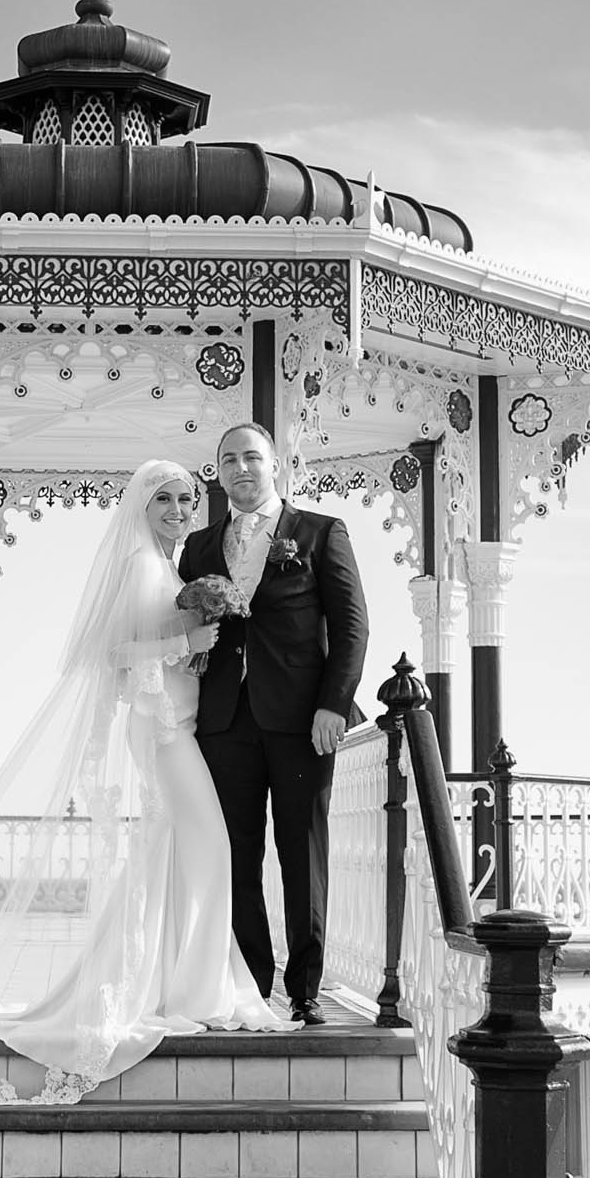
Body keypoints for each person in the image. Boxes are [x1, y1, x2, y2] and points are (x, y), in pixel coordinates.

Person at [0, 459, 282, 1104]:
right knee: (206, 849)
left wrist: (191, 646)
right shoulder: (143, 567)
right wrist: (185, 645)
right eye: (164, 500)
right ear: (142, 510)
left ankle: (175, 984)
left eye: (184, 499)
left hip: (180, 727)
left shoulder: (168, 569)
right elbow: (113, 657)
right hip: (165, 735)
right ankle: (191, 987)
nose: (179, 509)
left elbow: (154, 646)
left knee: (177, 856)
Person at [176, 422, 370, 1024]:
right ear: (219, 471)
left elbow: (352, 626)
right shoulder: (200, 547)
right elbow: (187, 630)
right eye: (228, 459)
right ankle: (252, 983)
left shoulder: (319, 533)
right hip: (223, 722)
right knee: (235, 854)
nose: (240, 469)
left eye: (251, 458)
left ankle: (306, 987)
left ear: (275, 464)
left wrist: (333, 706)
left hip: (301, 722)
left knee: (301, 853)